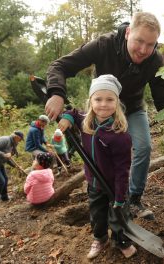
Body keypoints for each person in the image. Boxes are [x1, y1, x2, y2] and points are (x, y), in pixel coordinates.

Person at [45, 12, 164, 220]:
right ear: (128, 32)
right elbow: (60, 66)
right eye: (139, 41)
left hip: (133, 109)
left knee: (144, 147)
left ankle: (133, 199)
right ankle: (102, 195)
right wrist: (56, 93)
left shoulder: (154, 60)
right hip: (102, 108)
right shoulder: (103, 45)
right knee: (102, 155)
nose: (144, 50)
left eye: (151, 44)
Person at [58, 75, 137, 259]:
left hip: (115, 185)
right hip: (94, 182)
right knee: (97, 215)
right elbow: (74, 112)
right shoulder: (86, 122)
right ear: (91, 101)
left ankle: (121, 240)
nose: (103, 104)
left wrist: (119, 195)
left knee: (118, 214)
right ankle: (100, 238)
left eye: (110, 99)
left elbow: (122, 169)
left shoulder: (119, 135)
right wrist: (68, 117)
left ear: (117, 102)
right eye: (98, 99)